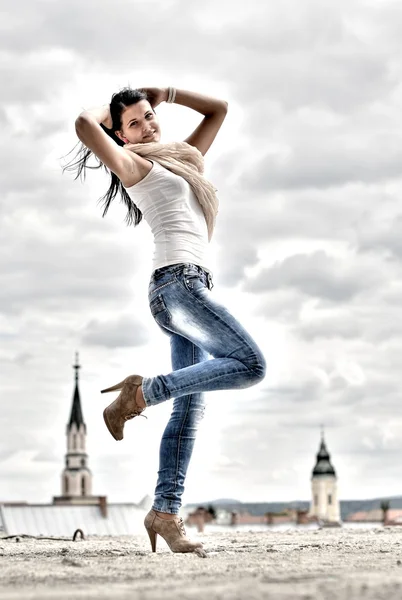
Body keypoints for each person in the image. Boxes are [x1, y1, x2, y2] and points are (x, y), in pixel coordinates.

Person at [68, 86, 266, 556]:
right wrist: (114, 115)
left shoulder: (182, 159)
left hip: (189, 286)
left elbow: (219, 109)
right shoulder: (136, 166)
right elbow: (83, 124)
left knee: (191, 408)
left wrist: (167, 93)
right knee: (251, 363)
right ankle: (140, 394)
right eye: (134, 124)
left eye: (150, 117)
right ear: (120, 136)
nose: (148, 125)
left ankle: (165, 512)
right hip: (176, 286)